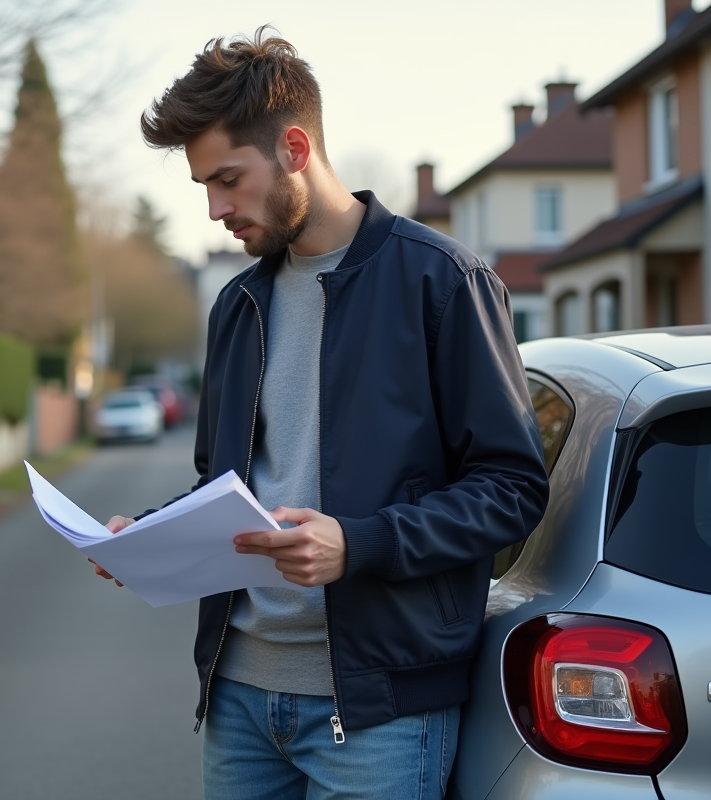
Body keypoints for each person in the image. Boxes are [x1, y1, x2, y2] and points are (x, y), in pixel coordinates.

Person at [93, 27, 550, 800]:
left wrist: (360, 544)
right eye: (204, 185)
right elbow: (227, 486)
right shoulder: (238, 306)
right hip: (237, 695)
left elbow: (512, 489)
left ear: (296, 149)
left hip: (380, 711)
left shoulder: (444, 284)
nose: (214, 209)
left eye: (229, 180)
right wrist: (151, 537)